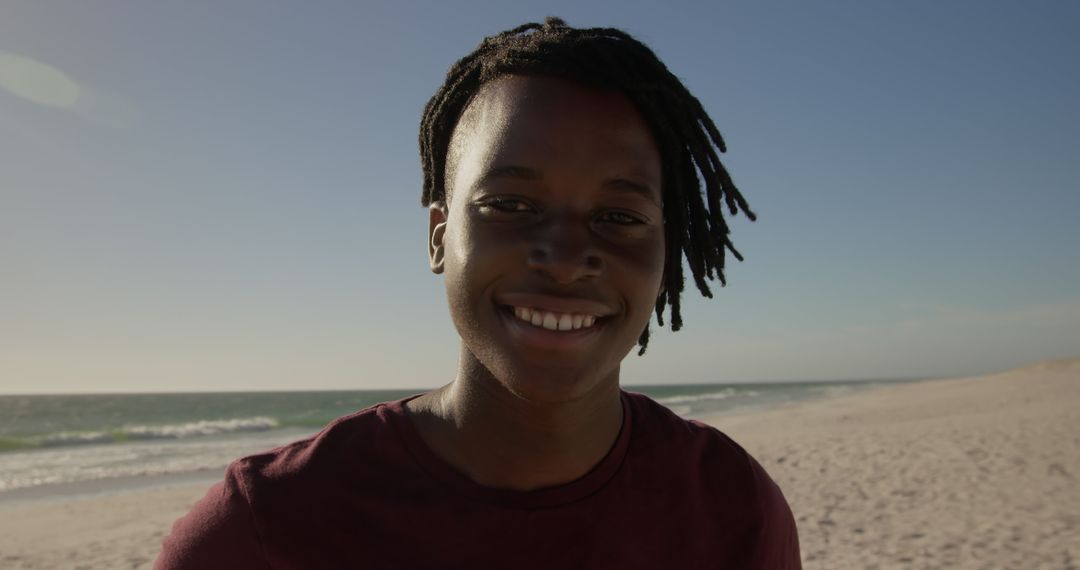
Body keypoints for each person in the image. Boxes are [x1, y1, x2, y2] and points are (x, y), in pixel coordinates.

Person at [156, 18, 801, 569]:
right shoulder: (267, 527)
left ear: (666, 249)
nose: (568, 257)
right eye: (511, 204)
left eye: (621, 217)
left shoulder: (730, 505)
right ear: (440, 236)